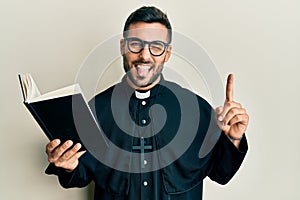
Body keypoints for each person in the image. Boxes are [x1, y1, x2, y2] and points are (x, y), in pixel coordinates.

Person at [45, 6, 249, 200]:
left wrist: (233, 139)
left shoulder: (195, 109)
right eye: (136, 44)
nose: (144, 55)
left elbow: (221, 174)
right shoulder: (96, 110)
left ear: (167, 54)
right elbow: (82, 173)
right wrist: (68, 165)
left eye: (156, 47)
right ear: (123, 47)